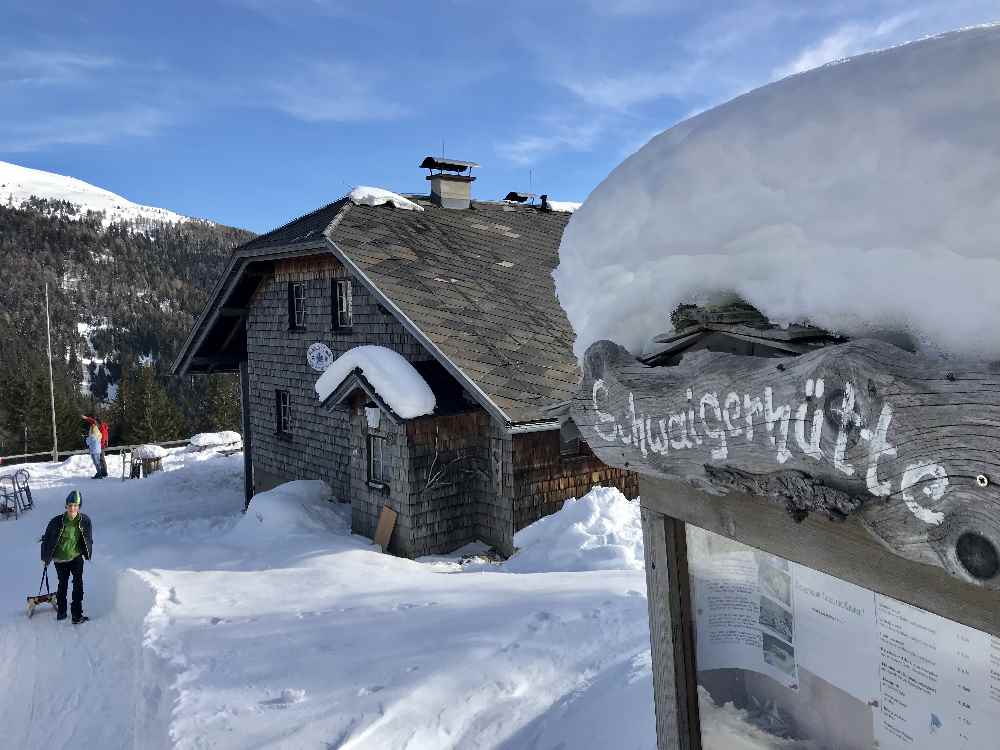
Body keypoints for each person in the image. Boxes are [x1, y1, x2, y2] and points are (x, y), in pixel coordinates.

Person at [40, 490, 93, 624]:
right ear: (66, 505)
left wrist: (87, 552)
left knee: (78, 584)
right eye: (70, 505)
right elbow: (46, 540)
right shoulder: (56, 522)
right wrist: (45, 559)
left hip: (76, 557)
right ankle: (62, 611)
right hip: (60, 559)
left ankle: (76, 614)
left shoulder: (85, 520)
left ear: (79, 506)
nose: (72, 508)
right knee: (62, 584)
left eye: (75, 505)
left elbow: (88, 538)